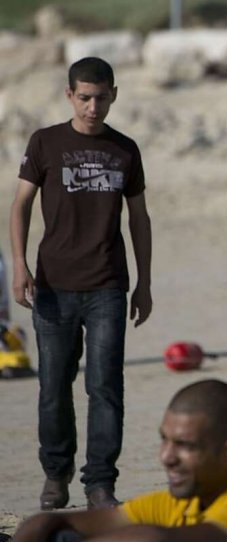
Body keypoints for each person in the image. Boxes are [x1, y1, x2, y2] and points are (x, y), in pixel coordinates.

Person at [9, 57, 152, 510]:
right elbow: (20, 204)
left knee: (105, 386)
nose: (93, 107)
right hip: (53, 285)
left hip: (107, 285)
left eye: (101, 98)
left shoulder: (125, 149)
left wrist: (144, 282)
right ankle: (56, 473)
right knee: (53, 387)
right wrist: (19, 265)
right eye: (85, 98)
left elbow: (139, 218)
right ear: (69, 95)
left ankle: (100, 482)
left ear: (114, 95)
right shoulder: (45, 142)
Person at [9, 379, 227, 542]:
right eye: (164, 440)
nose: (166, 457)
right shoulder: (184, 502)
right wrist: (41, 527)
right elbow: (46, 522)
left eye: (184, 445)